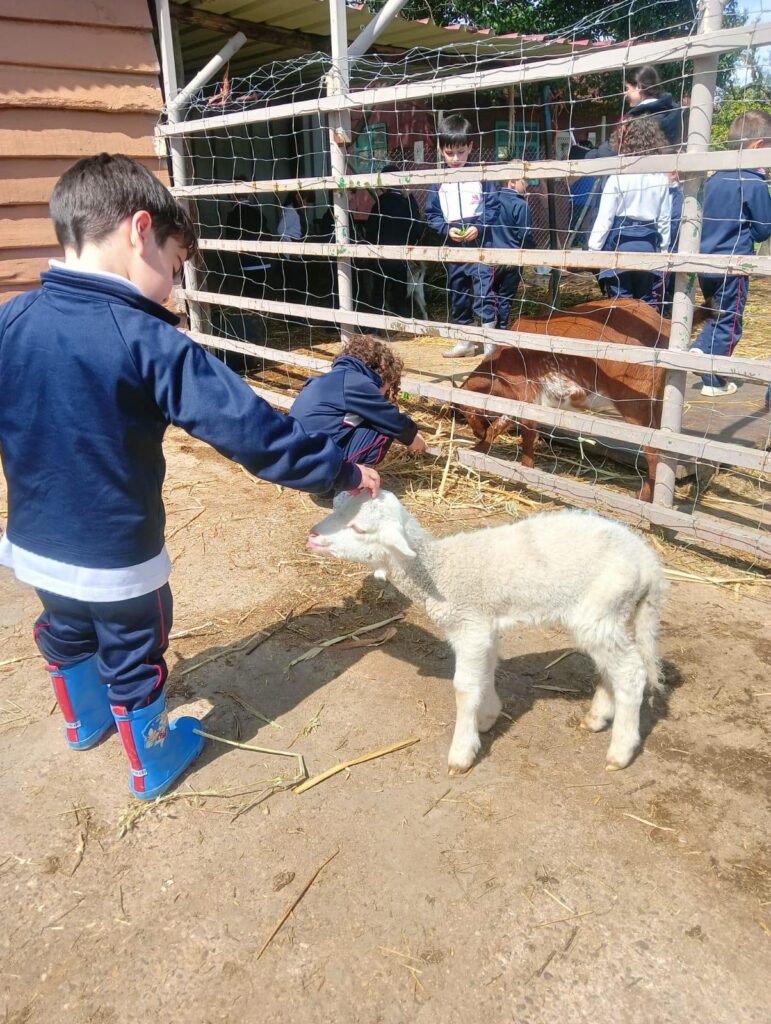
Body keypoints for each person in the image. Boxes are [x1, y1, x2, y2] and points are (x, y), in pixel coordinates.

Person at [0, 154, 379, 801]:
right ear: (139, 230)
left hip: (35, 545)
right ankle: (151, 760)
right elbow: (252, 432)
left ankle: (82, 721)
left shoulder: (11, 319)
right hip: (119, 556)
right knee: (133, 647)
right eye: (174, 266)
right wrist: (340, 468)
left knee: (66, 629)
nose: (172, 290)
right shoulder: (148, 340)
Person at [691, 110, 771, 396]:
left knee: (716, 313)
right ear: (758, 146)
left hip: (705, 262)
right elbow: (763, 229)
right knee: (730, 321)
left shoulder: (713, 179)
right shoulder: (753, 182)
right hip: (733, 264)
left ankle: (702, 350)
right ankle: (711, 376)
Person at [289, 335, 427, 489]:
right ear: (383, 372)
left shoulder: (335, 378)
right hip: (321, 475)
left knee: (374, 418)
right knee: (384, 425)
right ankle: (355, 484)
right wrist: (413, 439)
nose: (385, 395)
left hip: (299, 468)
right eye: (387, 389)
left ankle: (340, 481)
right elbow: (392, 421)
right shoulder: (356, 383)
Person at [424, 113, 500, 358]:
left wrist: (481, 225)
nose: (455, 159)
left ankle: (490, 342)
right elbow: (432, 213)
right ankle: (465, 341)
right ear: (441, 150)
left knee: (484, 291)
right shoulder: (438, 181)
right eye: (449, 153)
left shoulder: (481, 176)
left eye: (461, 152)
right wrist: (446, 229)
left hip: (479, 242)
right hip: (454, 243)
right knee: (458, 291)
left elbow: (493, 206)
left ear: (470, 147)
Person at [587, 117, 672, 307]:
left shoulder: (618, 177)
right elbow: (664, 218)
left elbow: (605, 218)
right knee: (645, 303)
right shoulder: (659, 177)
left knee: (620, 304)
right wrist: (664, 250)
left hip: (620, 245)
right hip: (648, 246)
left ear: (625, 140)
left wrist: (593, 249)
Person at [364, 164, 423, 319]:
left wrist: (371, 248)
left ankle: (375, 325)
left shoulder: (379, 204)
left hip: (381, 255)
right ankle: (403, 323)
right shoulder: (407, 204)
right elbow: (416, 227)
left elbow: (371, 230)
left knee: (379, 291)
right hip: (400, 255)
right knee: (400, 292)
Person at [491, 178, 532, 331]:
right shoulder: (521, 204)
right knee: (505, 298)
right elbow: (525, 235)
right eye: (525, 181)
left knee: (490, 295)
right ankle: (501, 329)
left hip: (491, 257)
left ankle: (488, 329)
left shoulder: (491, 199)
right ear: (512, 181)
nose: (527, 185)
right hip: (512, 259)